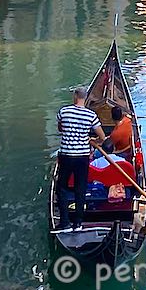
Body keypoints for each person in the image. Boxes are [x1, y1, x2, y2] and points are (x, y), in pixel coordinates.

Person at [55, 86, 105, 230]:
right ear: (85, 97)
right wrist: (94, 141)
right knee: (80, 188)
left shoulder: (64, 111)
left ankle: (64, 223)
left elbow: (60, 128)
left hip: (66, 155)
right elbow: (102, 137)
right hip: (82, 156)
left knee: (62, 188)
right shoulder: (91, 115)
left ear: (75, 96)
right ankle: (78, 223)